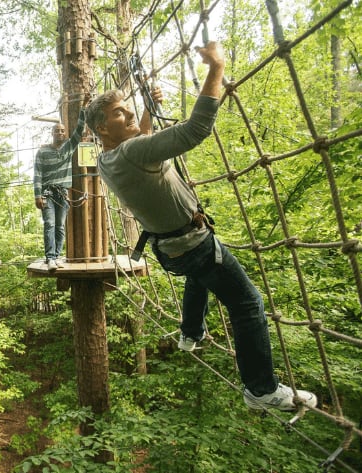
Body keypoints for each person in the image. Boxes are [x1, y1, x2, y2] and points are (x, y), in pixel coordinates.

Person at [85, 41, 317, 412]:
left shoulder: (105, 159)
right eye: (118, 113)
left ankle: (191, 332)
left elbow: (136, 140)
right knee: (248, 304)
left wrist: (146, 109)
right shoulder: (130, 151)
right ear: (101, 127)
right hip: (194, 244)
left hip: (169, 250)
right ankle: (261, 389)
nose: (128, 115)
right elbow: (195, 130)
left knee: (201, 277)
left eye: (128, 109)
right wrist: (216, 68)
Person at [33, 94, 89, 270]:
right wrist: (37, 195)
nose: (60, 133)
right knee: (49, 223)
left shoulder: (69, 147)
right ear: (52, 133)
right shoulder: (42, 152)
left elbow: (79, 129)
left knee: (60, 227)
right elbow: (37, 174)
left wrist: (84, 106)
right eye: (57, 130)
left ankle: (56, 257)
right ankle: (50, 257)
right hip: (48, 193)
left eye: (63, 131)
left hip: (63, 194)